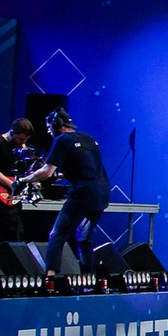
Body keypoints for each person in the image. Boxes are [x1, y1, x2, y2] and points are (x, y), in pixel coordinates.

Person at [33, 110, 111, 274]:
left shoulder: (62, 140)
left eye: (49, 127)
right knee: (84, 237)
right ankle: (87, 279)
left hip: (82, 195)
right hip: (102, 194)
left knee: (57, 235)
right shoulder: (88, 138)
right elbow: (88, 169)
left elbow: (46, 172)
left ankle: (51, 278)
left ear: (57, 125)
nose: (48, 131)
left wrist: (24, 180)